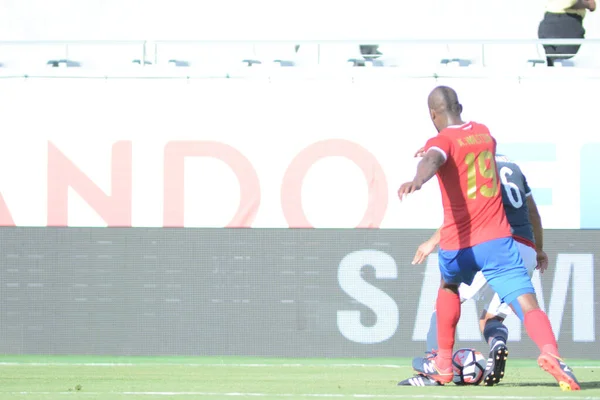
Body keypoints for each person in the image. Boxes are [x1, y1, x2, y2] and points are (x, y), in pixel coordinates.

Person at [396, 86, 580, 391]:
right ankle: (552, 354)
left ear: (432, 114)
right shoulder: (485, 135)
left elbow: (435, 159)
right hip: (497, 240)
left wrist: (419, 177)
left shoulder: (440, 141)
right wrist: (431, 154)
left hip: (458, 241)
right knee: (527, 302)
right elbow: (457, 153)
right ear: (461, 106)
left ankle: (442, 364)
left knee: (449, 287)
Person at [398, 154, 548, 387]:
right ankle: (500, 343)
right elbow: (533, 214)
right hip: (526, 248)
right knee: (491, 317)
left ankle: (435, 365)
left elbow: (463, 216)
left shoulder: (482, 171)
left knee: (445, 300)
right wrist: (538, 249)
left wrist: (431, 242)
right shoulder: (515, 168)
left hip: (495, 246)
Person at [538, 0, 596, 66]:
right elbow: (567, 3)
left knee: (554, 64)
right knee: (563, 65)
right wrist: (587, 3)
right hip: (565, 23)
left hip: (551, 21)